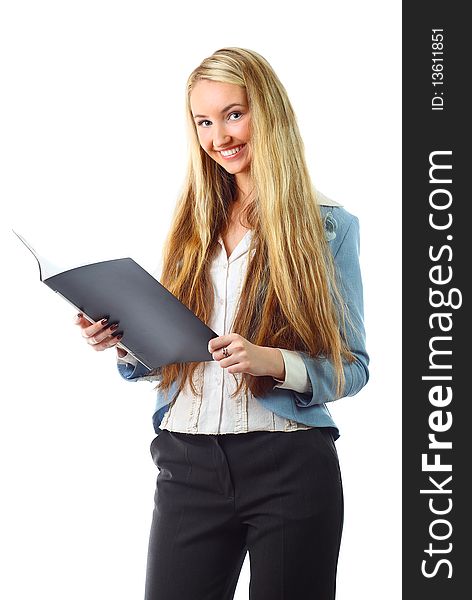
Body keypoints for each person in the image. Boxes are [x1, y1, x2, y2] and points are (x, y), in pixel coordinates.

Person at [75, 47, 369, 600]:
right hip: (185, 464)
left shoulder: (330, 228)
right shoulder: (191, 222)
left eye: (234, 114)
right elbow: (174, 351)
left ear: (269, 114)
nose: (220, 136)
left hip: (289, 465)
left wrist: (274, 362)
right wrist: (124, 343)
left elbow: (354, 368)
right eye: (204, 122)